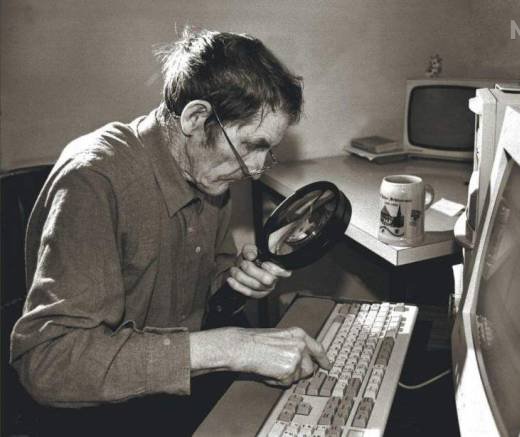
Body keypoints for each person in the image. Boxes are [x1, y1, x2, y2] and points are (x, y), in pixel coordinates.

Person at [9, 28, 329, 435]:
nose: (253, 169)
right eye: (250, 145)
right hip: (100, 416)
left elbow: (193, 290)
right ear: (196, 118)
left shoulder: (210, 172)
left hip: (174, 391)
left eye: (267, 151)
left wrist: (232, 280)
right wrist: (229, 347)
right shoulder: (94, 181)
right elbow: (49, 363)